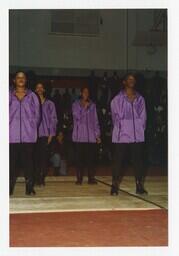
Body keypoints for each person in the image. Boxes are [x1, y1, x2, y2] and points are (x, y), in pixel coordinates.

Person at [110, 73, 148, 195]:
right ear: (124, 82)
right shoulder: (117, 99)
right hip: (122, 136)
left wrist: (140, 129)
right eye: (129, 79)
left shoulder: (140, 98)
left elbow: (143, 117)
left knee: (138, 161)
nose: (132, 80)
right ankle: (115, 186)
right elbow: (115, 117)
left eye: (133, 79)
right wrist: (121, 128)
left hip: (137, 136)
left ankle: (139, 185)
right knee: (119, 161)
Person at [9, 71, 40, 195]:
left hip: (28, 136)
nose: (21, 79)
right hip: (11, 136)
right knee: (11, 163)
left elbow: (37, 115)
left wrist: (32, 128)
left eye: (23, 77)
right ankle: (8, 187)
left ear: (26, 80)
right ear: (14, 80)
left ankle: (29, 187)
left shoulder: (32, 96)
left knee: (29, 163)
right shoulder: (8, 95)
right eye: (18, 77)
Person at [72, 86, 101, 185]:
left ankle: (91, 178)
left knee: (91, 159)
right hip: (80, 136)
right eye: (84, 92)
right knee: (79, 159)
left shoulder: (92, 105)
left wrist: (97, 135)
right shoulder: (75, 105)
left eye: (87, 92)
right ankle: (79, 178)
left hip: (91, 136)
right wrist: (84, 107)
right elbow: (77, 117)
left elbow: (95, 120)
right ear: (81, 93)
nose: (86, 94)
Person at [35, 82, 58, 186]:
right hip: (33, 135)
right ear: (35, 90)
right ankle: (35, 178)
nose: (39, 89)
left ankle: (41, 178)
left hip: (45, 135)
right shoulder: (31, 103)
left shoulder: (50, 104)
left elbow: (53, 119)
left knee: (44, 158)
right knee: (35, 157)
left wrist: (51, 134)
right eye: (37, 87)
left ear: (44, 90)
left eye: (41, 87)